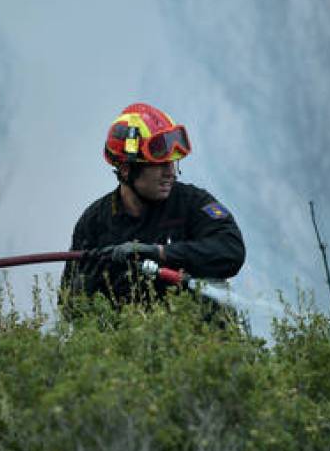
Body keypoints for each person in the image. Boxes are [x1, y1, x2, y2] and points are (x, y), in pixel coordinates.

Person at [60, 102, 245, 307]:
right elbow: (68, 305)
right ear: (126, 170)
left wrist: (161, 253)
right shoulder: (94, 223)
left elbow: (232, 251)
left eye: (173, 163)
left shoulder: (193, 203)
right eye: (160, 165)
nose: (170, 173)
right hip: (131, 336)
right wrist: (83, 287)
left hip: (199, 335)